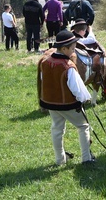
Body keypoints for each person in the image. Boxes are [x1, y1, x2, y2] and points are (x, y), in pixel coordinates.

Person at [37, 30, 94, 165]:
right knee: (83, 126)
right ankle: (86, 158)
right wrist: (86, 98)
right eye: (72, 49)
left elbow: (43, 80)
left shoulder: (45, 62)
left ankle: (60, 159)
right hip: (68, 104)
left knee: (57, 129)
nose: (74, 51)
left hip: (51, 104)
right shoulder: (68, 66)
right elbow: (77, 89)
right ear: (64, 48)